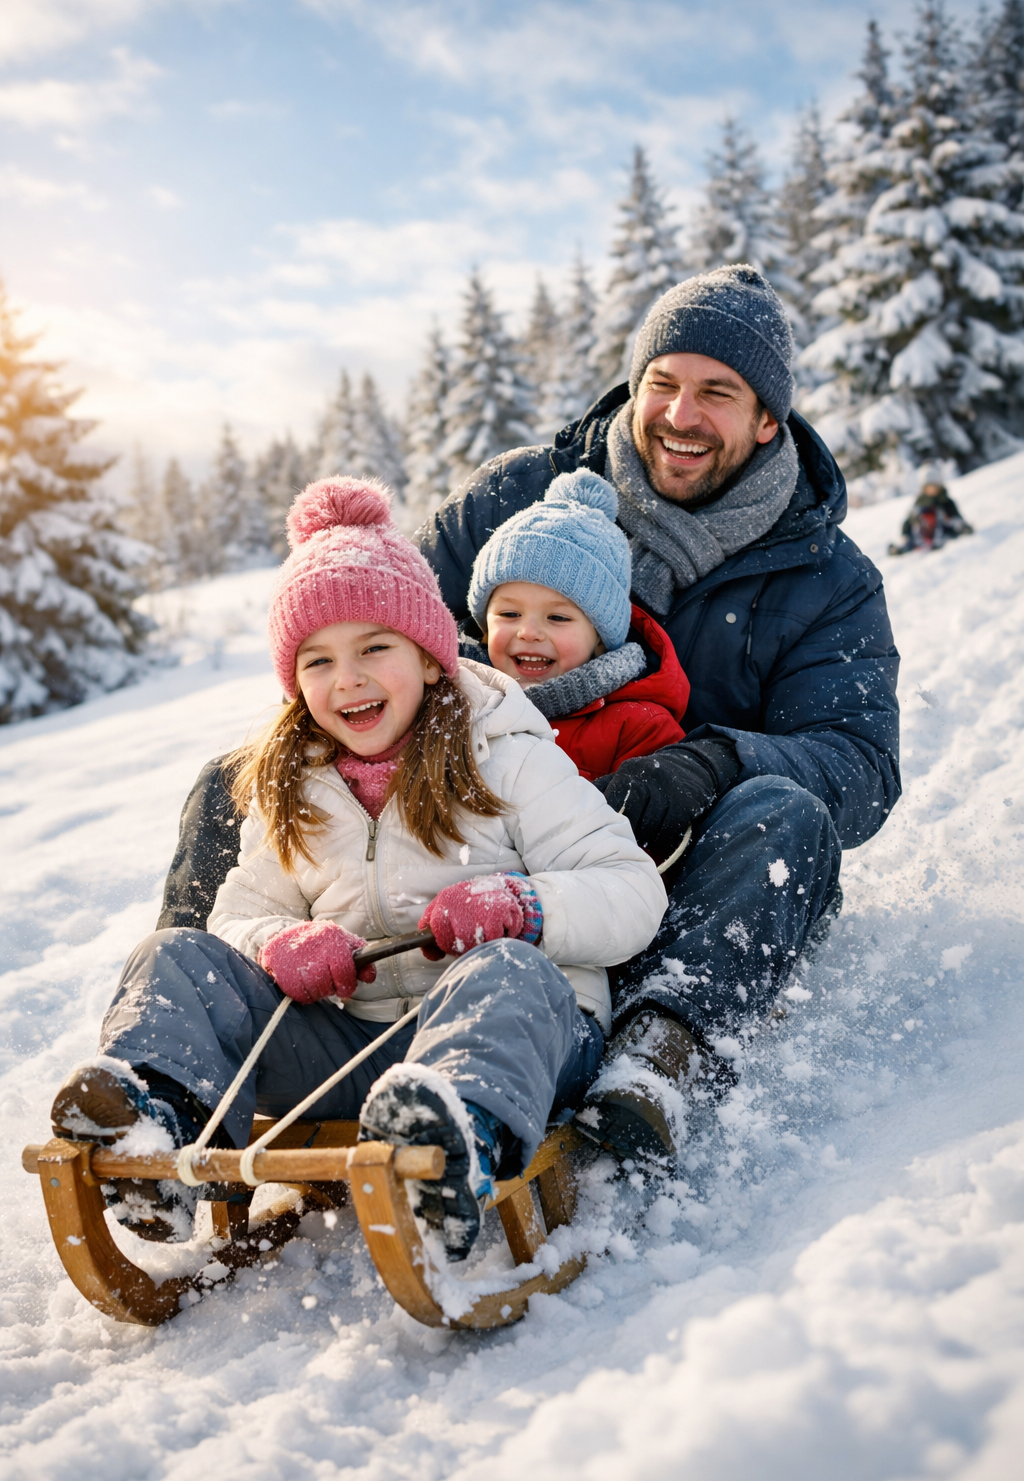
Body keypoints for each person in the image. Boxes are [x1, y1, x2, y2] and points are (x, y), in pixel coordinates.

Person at [157, 264, 901, 1165]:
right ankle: (180, 1071)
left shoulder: (826, 575)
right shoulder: (516, 496)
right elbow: (361, 636)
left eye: (718, 393)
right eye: (662, 383)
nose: (680, 415)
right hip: (466, 823)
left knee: (785, 818)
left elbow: (861, 764)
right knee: (235, 785)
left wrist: (713, 763)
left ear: (767, 419)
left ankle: (656, 1055)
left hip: (663, 861)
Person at [50, 478, 665, 1261]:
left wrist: (526, 905)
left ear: (432, 658)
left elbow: (631, 890)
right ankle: (156, 1128)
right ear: (295, 682)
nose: (348, 680)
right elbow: (237, 915)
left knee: (505, 971)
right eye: (318, 660)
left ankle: (447, 1146)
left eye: (375, 647)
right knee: (173, 955)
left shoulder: (505, 754)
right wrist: (278, 943)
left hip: (519, 1044)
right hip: (355, 1046)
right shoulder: (295, 782)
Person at [466, 465, 689, 784]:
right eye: (509, 614)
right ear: (484, 626)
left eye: (557, 617)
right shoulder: (455, 702)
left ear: (600, 638)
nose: (528, 632)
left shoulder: (637, 727)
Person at [888, 480, 973, 555]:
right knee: (911, 535)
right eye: (929, 486)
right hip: (922, 533)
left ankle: (938, 541)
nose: (931, 489)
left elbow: (955, 517)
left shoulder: (945, 501)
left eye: (934, 485)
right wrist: (905, 534)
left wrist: (961, 525)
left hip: (943, 531)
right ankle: (902, 547)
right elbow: (908, 521)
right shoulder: (920, 502)